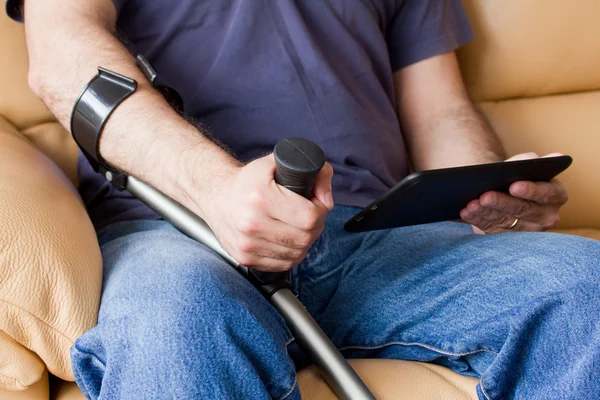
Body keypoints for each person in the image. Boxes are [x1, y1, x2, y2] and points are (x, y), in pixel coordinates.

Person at [7, 0, 600, 398]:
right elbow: (64, 62)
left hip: (377, 236)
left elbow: (440, 109)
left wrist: (485, 190)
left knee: (584, 288)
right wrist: (218, 190)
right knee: (178, 322)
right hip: (174, 226)